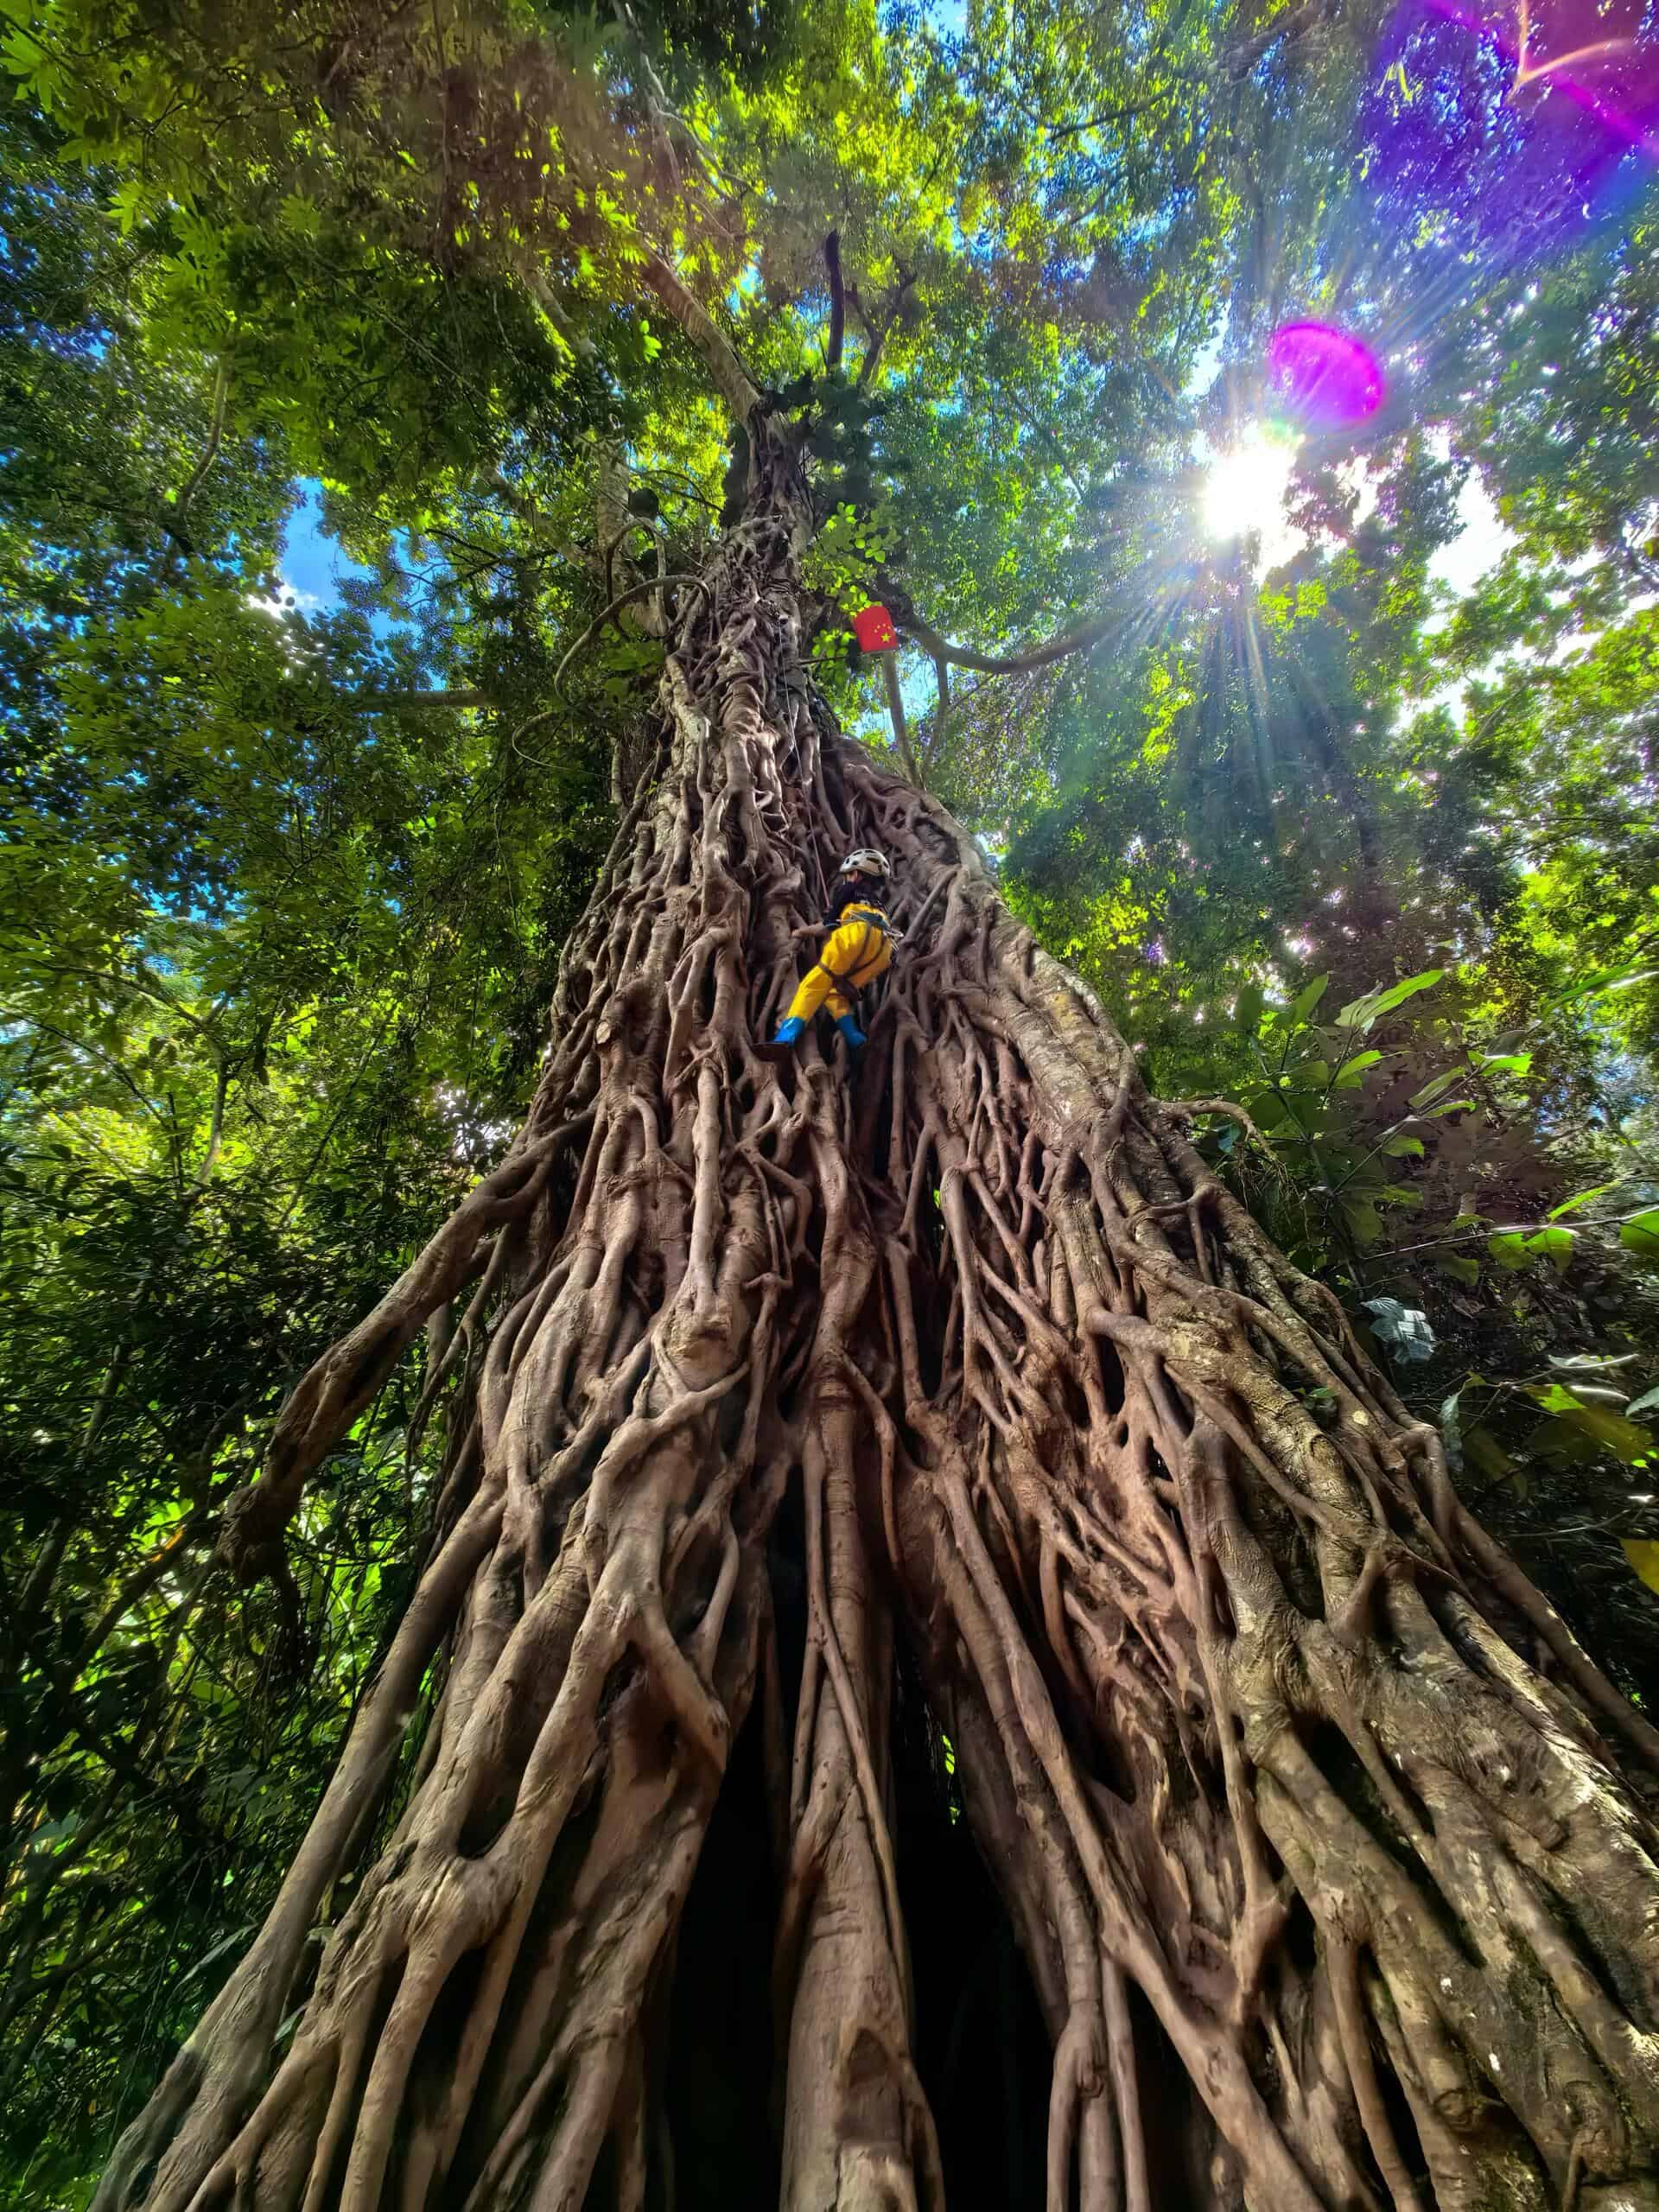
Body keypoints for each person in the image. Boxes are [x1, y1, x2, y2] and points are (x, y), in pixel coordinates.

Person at [772, 849, 893, 1052]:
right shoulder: (879, 904)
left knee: (812, 985)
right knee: (834, 993)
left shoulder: (848, 889)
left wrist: (800, 932)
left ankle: (784, 1038)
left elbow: (825, 927)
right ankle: (856, 1039)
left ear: (856, 874)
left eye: (849, 875)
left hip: (856, 935)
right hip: (883, 950)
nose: (847, 879)